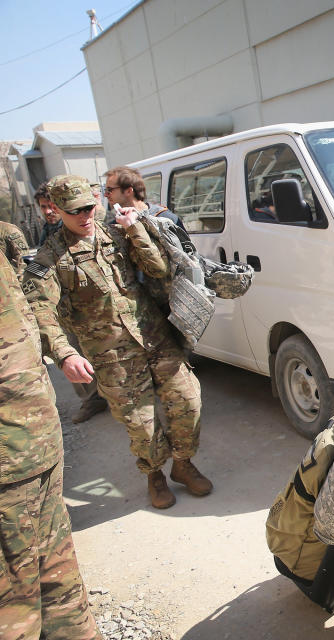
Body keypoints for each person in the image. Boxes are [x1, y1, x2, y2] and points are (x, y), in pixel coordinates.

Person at [21, 175, 211, 510]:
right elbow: (38, 308)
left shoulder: (116, 233)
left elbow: (157, 269)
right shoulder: (49, 258)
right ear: (56, 211)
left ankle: (183, 464)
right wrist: (64, 354)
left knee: (189, 402)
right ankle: (155, 475)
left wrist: (135, 230)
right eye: (74, 210)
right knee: (142, 424)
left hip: (155, 337)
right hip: (112, 355)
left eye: (89, 206)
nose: (85, 215)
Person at [0, 251, 102, 640]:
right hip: (9, 463)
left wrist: (61, 350)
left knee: (56, 570)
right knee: (14, 599)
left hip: (37, 444)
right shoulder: (50, 250)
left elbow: (30, 310)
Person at [32, 182, 109, 423]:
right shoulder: (50, 240)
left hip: (106, 314)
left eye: (87, 208)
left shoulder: (103, 229)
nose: (47, 212)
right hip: (71, 312)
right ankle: (92, 399)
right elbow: (37, 295)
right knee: (77, 352)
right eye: (43, 207)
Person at [103, 166, 186, 230]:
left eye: (110, 190)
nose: (106, 195)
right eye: (105, 190)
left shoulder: (165, 218)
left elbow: (187, 251)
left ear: (128, 191)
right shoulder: (116, 225)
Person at [35, 182, 63, 247]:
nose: (47, 211)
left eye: (51, 206)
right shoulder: (47, 229)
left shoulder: (73, 227)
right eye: (43, 207)